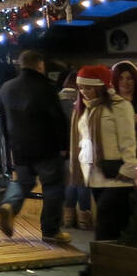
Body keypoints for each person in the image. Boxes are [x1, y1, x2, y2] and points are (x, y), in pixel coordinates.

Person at [0, 50, 71, 245]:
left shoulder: (6, 88)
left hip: (19, 147)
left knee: (23, 182)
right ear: (40, 65)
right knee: (53, 187)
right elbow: (58, 119)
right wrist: (64, 146)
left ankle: (10, 205)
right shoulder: (46, 88)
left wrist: (10, 146)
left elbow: (3, 122)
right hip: (46, 147)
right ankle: (50, 231)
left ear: (21, 65)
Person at [71, 65, 137, 276]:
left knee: (107, 218)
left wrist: (128, 170)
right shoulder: (84, 108)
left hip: (119, 177)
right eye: (81, 88)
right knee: (112, 225)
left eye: (88, 88)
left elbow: (128, 141)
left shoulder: (120, 106)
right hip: (95, 176)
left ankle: (94, 266)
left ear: (101, 86)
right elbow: (82, 143)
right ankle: (114, 269)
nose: (84, 92)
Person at [58, 70, 91, 230]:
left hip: (64, 148)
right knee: (82, 182)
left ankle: (68, 218)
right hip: (81, 146)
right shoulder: (82, 102)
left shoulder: (57, 100)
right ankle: (84, 218)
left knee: (70, 182)